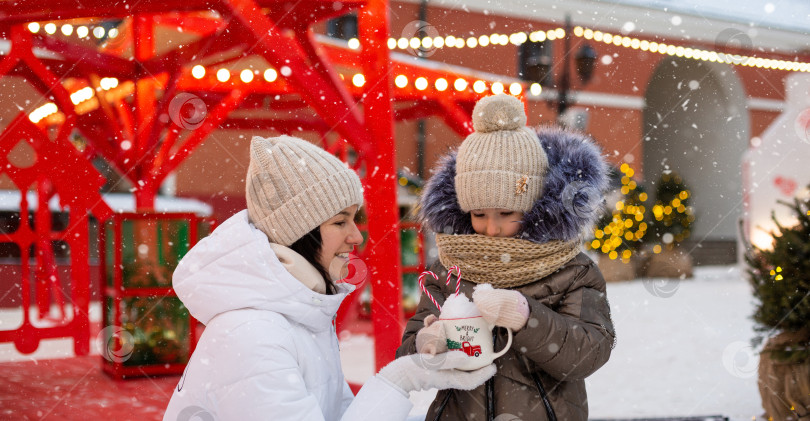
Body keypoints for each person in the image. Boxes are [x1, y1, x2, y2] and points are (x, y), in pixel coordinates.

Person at [163, 135, 495, 421]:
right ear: (298, 232)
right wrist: (403, 378)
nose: (356, 237)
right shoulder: (253, 335)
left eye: (355, 219)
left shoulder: (298, 317)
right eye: (340, 222)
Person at [397, 94, 616, 420]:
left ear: (533, 205)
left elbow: (588, 353)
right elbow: (412, 344)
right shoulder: (452, 267)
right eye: (479, 214)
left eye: (505, 212)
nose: (492, 228)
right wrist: (427, 342)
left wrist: (527, 317)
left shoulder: (572, 271)